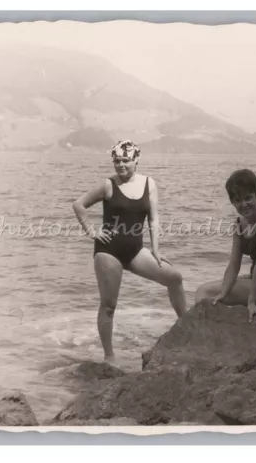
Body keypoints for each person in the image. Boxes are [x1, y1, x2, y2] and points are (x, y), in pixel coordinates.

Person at [72, 140, 187, 363]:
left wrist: (155, 249)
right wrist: (91, 231)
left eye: (125, 160)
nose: (121, 165)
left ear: (136, 160)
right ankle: (109, 356)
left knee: (175, 278)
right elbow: (79, 205)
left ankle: (188, 326)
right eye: (116, 161)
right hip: (108, 250)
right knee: (109, 305)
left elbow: (153, 219)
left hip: (135, 250)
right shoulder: (108, 185)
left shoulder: (149, 183)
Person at [195, 169, 256, 326]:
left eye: (248, 198)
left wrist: (251, 302)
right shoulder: (239, 223)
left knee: (204, 292)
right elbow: (234, 263)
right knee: (211, 289)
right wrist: (223, 293)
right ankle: (206, 331)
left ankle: (200, 334)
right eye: (238, 200)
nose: (244, 204)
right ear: (232, 203)